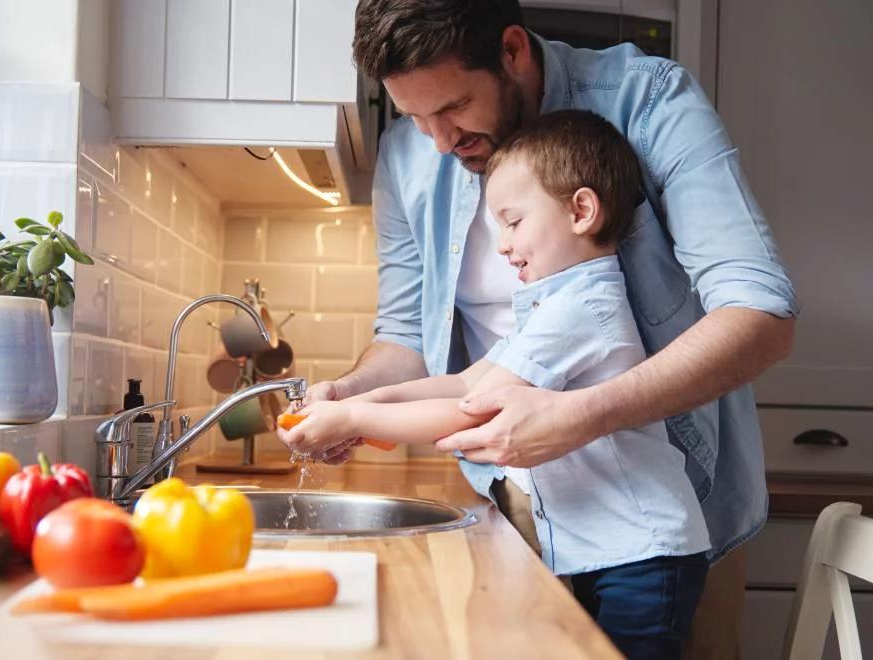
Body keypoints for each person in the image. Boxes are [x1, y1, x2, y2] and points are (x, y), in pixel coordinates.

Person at [279, 2, 798, 657]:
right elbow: (410, 340)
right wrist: (350, 399)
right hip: (516, 505)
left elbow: (762, 314)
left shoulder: (648, 101)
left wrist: (581, 415)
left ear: (513, 50)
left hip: (658, 519)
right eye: (415, 117)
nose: (439, 141)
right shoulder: (407, 156)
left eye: (455, 107)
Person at [286, 110, 713, 657]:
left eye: (512, 222)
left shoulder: (582, 307)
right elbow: (467, 381)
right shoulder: (553, 304)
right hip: (611, 552)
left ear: (581, 211)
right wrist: (361, 397)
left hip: (644, 558)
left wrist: (351, 420)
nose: (504, 246)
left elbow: (473, 409)